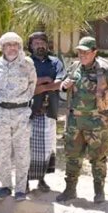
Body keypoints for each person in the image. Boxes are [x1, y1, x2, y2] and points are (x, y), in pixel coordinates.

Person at [57, 37, 108, 204]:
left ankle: (99, 192)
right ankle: (70, 190)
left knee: (98, 157)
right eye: (80, 52)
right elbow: (63, 86)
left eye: (86, 52)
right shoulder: (74, 67)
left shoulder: (105, 70)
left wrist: (106, 99)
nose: (82, 55)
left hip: (96, 122)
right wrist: (64, 85)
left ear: (94, 52)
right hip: (74, 121)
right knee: (72, 156)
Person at [0, 32, 36, 201]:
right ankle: (6, 186)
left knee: (22, 152)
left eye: (15, 44)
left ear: (20, 46)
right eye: (8, 45)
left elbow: (32, 85)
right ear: (2, 47)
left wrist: (19, 102)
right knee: (2, 152)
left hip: (21, 113)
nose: (12, 48)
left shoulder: (27, 64)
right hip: (0, 113)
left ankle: (21, 189)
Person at [26, 32, 65, 192]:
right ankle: (26, 181)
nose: (39, 45)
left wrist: (40, 87)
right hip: (30, 112)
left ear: (47, 45)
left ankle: (41, 180)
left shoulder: (55, 62)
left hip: (49, 111)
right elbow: (26, 87)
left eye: (42, 42)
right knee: (28, 148)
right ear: (31, 46)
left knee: (47, 147)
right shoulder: (27, 63)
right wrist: (45, 81)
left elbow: (61, 82)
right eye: (35, 43)